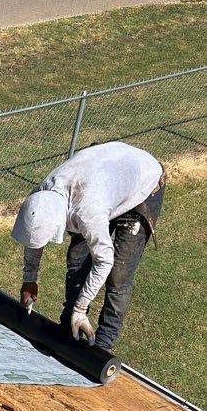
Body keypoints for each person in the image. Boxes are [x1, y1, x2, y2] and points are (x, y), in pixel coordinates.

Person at [11, 140, 165, 351]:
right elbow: (34, 237)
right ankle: (69, 325)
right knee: (77, 260)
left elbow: (104, 261)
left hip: (142, 186)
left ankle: (103, 341)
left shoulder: (87, 211)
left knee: (119, 273)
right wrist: (29, 280)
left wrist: (81, 308)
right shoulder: (40, 197)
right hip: (105, 181)